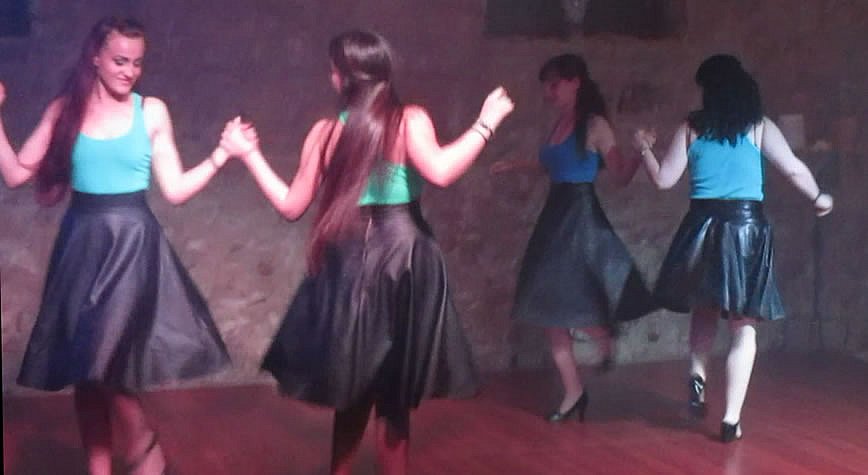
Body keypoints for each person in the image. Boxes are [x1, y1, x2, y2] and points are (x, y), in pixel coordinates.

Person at [219, 30, 514, 475]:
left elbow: (291, 206)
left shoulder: (326, 133)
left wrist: (250, 155)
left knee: (354, 384)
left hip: (351, 259)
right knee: (392, 394)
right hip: (402, 256)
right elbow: (441, 171)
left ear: (341, 77)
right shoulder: (407, 120)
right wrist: (485, 122)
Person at [0, 17, 232, 474]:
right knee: (86, 370)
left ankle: (145, 444)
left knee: (99, 362)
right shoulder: (66, 110)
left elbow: (175, 190)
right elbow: (15, 173)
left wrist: (221, 155)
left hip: (132, 247)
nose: (129, 71)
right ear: (96, 57)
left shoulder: (152, 111)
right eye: (120, 61)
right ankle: (102, 467)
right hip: (82, 243)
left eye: (137, 63)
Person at [632, 54, 834, 442]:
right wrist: (818, 197)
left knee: (705, 308)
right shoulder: (759, 126)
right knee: (743, 327)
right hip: (745, 229)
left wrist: (644, 149)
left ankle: (697, 372)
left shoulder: (692, 127)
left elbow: (664, 181)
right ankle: (730, 420)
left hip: (702, 226)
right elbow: (792, 167)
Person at [490, 54, 656, 423]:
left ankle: (603, 336)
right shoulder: (559, 124)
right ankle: (573, 391)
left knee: (568, 296)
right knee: (549, 305)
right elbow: (552, 165)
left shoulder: (595, 125)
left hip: (580, 217)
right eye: (546, 86)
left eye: (555, 85)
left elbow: (619, 175)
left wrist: (641, 152)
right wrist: (516, 165)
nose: (549, 92)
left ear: (575, 81)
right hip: (555, 214)